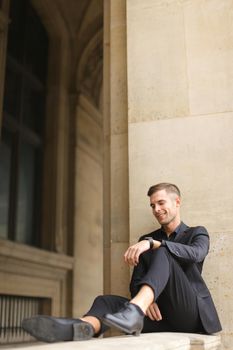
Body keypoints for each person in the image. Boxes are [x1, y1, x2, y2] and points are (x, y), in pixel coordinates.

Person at [22, 182, 222, 342]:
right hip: (158, 317)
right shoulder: (147, 238)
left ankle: (134, 311)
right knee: (105, 301)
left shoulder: (196, 232)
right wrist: (147, 300)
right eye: (152, 205)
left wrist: (154, 244)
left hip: (189, 314)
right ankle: (82, 327)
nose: (156, 209)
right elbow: (136, 283)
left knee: (164, 252)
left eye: (161, 203)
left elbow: (197, 254)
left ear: (177, 202)